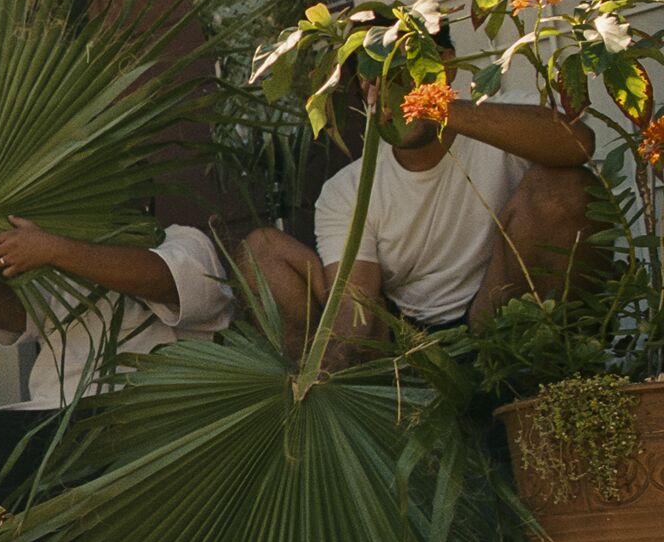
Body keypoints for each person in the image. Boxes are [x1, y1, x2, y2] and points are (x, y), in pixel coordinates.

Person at [244, 31, 596, 370]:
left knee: (563, 184)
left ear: (446, 66)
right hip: (406, 343)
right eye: (374, 81)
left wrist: (436, 106)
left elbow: (578, 144)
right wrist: (334, 361)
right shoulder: (348, 190)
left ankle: (542, 378)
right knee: (261, 249)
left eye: (404, 72)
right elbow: (357, 301)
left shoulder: (503, 122)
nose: (391, 94)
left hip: (501, 312)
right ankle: (324, 407)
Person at [0, 216, 234, 508]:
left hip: (134, 419)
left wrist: (55, 249)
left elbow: (166, 280)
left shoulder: (182, 239)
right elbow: (18, 320)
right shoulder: (51, 258)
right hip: (47, 422)